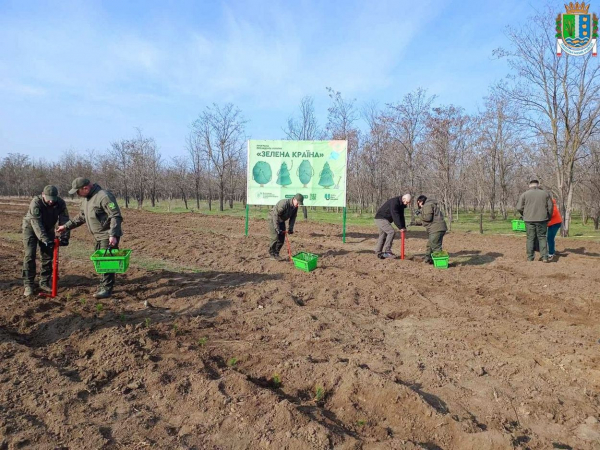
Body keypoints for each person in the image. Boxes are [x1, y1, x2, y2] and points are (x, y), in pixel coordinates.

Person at [56, 177, 123, 299]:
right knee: (102, 261)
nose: (77, 194)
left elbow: (116, 216)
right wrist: (66, 227)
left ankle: (106, 289)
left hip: (107, 235)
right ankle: (105, 284)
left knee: (106, 261)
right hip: (98, 236)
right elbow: (81, 217)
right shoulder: (86, 200)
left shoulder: (104, 196)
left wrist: (113, 234)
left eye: (78, 191)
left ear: (85, 188)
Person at [22, 185, 70, 297]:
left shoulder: (60, 203)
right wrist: (44, 239)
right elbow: (36, 223)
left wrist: (65, 237)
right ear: (43, 194)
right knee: (30, 255)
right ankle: (28, 284)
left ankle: (44, 282)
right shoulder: (36, 202)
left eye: (53, 199)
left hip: (48, 228)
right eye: (48, 198)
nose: (50, 201)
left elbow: (64, 220)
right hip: (31, 228)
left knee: (48, 256)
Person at [516, 179, 553, 263]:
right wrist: (548, 217)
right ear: (538, 185)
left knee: (530, 238)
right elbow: (550, 207)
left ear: (530, 185)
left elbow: (519, 207)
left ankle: (530, 258)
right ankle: (544, 257)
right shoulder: (545, 194)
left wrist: (524, 214)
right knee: (542, 237)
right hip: (542, 219)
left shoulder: (524, 194)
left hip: (529, 220)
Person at [268, 193, 303, 261]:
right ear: (294, 199)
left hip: (281, 220)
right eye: (297, 203)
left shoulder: (295, 207)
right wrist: (277, 228)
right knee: (275, 237)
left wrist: (290, 228)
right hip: (273, 218)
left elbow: (293, 218)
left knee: (282, 238)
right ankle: (272, 253)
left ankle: (276, 253)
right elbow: (275, 215)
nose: (298, 204)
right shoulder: (284, 203)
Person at [374, 194, 411, 259]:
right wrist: (400, 227)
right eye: (407, 202)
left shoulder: (401, 205)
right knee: (391, 232)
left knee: (383, 235)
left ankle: (378, 252)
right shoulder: (394, 202)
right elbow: (395, 215)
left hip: (384, 219)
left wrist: (403, 226)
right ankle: (387, 252)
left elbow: (401, 216)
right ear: (404, 199)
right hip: (381, 218)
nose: (407, 204)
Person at [416, 195, 447, 264]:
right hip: (437, 228)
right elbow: (429, 219)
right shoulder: (430, 205)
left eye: (418, 203)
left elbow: (427, 218)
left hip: (436, 229)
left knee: (436, 247)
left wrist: (419, 214)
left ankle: (441, 264)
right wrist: (415, 223)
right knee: (430, 245)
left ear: (420, 201)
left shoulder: (427, 205)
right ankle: (428, 259)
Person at [547, 196, 562, 261]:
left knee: (550, 238)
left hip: (555, 224)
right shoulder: (553, 206)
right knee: (550, 238)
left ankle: (551, 253)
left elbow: (551, 214)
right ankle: (552, 251)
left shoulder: (553, 207)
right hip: (554, 223)